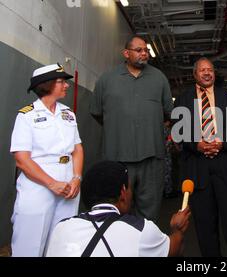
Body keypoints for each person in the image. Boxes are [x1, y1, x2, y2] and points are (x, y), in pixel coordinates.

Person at [172, 57, 227, 257]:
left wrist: (221, 143)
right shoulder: (183, 99)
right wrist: (197, 145)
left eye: (210, 70)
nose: (207, 73)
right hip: (198, 170)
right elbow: (178, 129)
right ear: (194, 74)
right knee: (205, 225)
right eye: (202, 70)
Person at [90, 36, 173, 221]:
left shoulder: (159, 78)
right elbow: (96, 112)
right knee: (116, 211)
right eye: (139, 50)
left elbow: (169, 113)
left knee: (149, 211)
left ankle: (145, 247)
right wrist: (119, 127)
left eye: (146, 50)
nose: (144, 53)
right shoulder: (107, 80)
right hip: (117, 158)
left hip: (151, 157)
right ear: (126, 53)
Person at [10, 63, 84, 257]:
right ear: (47, 85)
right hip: (38, 185)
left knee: (63, 242)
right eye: (61, 82)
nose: (67, 85)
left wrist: (77, 178)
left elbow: (77, 149)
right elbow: (21, 160)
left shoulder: (68, 114)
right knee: (30, 242)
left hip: (69, 184)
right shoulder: (26, 115)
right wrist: (51, 184)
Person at [45, 161, 190, 257]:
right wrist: (177, 230)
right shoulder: (141, 229)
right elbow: (174, 248)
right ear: (122, 193)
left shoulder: (62, 228)